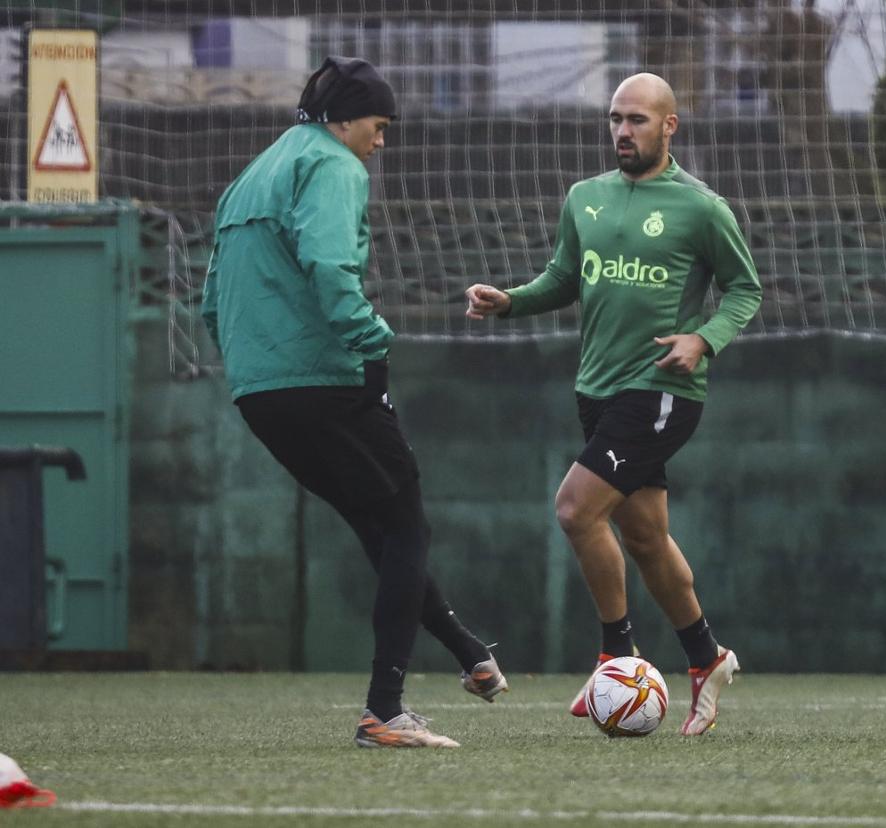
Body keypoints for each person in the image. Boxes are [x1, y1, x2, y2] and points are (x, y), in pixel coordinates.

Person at [201, 56, 507, 750]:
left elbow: (210, 302)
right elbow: (330, 267)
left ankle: (468, 653)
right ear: (344, 119)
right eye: (378, 125)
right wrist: (374, 345)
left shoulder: (254, 174)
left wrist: (255, 363)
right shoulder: (336, 166)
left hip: (259, 392)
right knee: (405, 528)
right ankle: (385, 711)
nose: (381, 140)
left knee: (382, 525)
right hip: (328, 378)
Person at [465, 72, 762, 736]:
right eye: (615, 119)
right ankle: (707, 658)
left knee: (574, 508)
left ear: (668, 126)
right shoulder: (585, 197)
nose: (623, 131)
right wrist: (510, 302)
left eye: (636, 120)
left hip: (662, 390)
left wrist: (703, 339)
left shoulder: (702, 207)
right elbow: (565, 278)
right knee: (646, 539)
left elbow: (746, 290)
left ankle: (615, 655)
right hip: (596, 391)